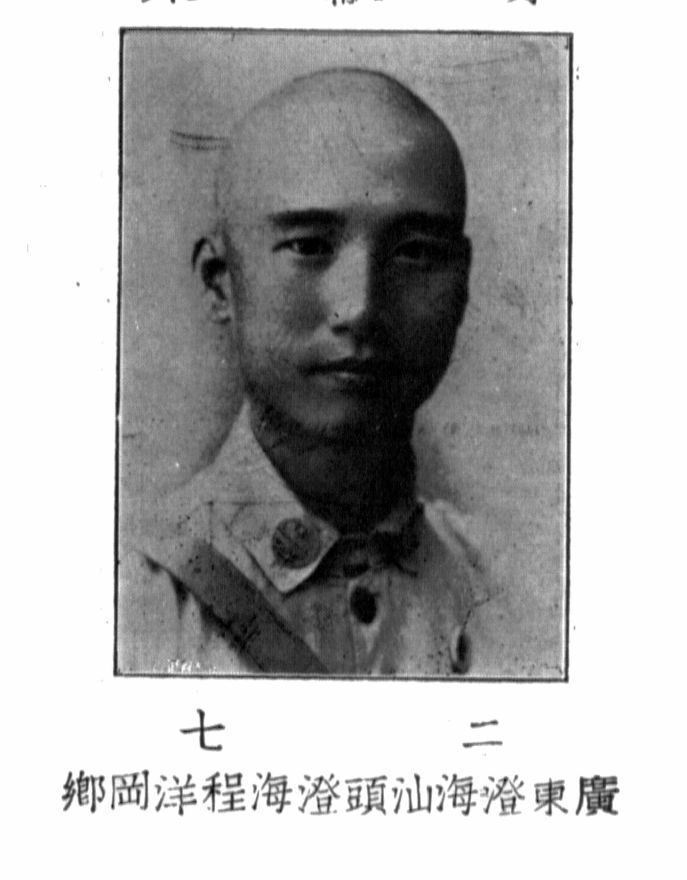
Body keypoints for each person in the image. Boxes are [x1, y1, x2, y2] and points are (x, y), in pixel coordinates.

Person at [118, 67, 506, 676]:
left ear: (461, 284)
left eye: (414, 252)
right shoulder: (126, 597)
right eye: (309, 246)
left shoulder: (514, 591)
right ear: (220, 282)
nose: (360, 308)